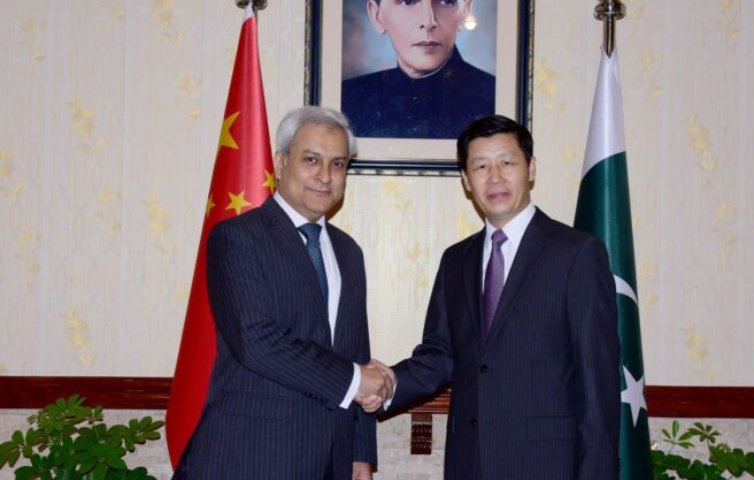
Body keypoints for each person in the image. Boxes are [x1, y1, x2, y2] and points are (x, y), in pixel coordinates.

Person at [369, 115, 621, 480]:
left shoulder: (577, 254)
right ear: (466, 180)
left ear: (530, 169)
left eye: (507, 162)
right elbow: (440, 355)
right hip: (469, 464)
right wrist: (388, 384)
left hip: (547, 466)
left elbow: (598, 385)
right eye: (481, 166)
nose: (495, 177)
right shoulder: (456, 260)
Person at [172, 107, 394, 480]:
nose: (325, 176)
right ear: (280, 162)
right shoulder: (237, 238)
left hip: (332, 461)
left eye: (338, 164)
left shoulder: (349, 252)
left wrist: (360, 455)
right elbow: (256, 342)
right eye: (311, 160)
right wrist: (355, 380)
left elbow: (356, 349)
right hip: (251, 458)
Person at [341, 0, 495, 139]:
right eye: (408, 2)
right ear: (377, 16)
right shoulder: (349, 98)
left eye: (446, 1)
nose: (428, 22)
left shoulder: (492, 96)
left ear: (465, 11)